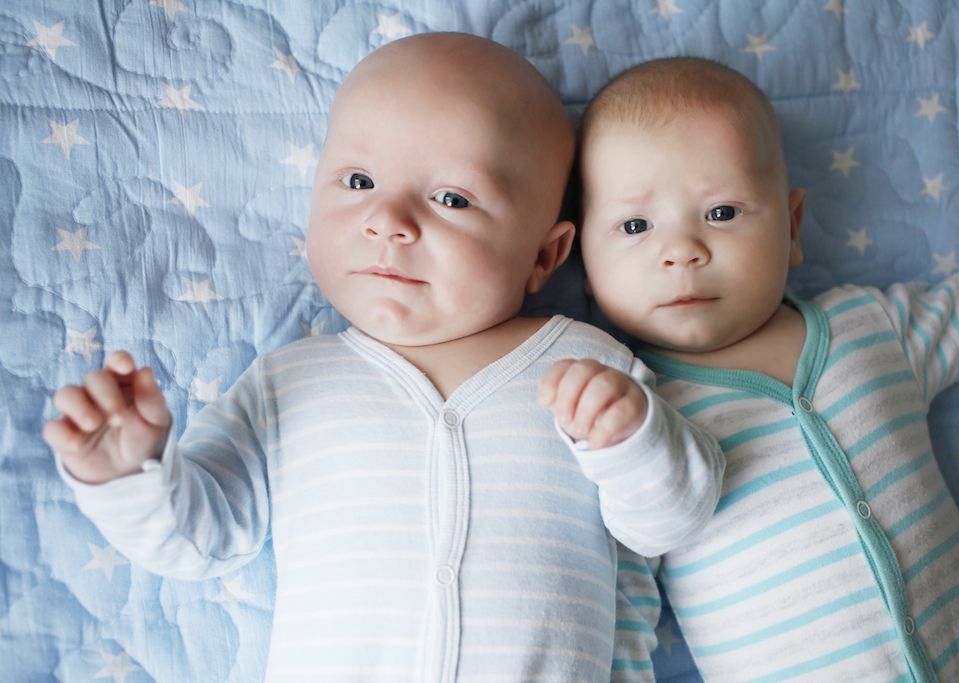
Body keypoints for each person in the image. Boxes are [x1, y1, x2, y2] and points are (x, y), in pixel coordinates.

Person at [42, 34, 724, 682]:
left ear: (546, 255)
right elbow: (203, 541)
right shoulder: (289, 383)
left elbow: (669, 522)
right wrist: (127, 473)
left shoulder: (591, 366)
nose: (388, 218)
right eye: (358, 180)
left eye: (452, 197)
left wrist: (632, 442)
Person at [577, 56, 959, 681]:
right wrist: (622, 439)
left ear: (791, 227)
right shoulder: (638, 412)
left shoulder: (870, 327)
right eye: (634, 225)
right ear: (583, 263)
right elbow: (639, 553)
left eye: (723, 213)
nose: (681, 251)